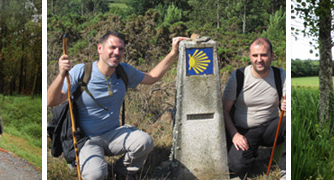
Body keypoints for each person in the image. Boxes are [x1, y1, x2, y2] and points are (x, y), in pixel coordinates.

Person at [47, 31, 188, 179]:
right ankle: (89, 165)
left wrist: (173, 52)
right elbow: (51, 101)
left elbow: (152, 78)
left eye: (120, 49)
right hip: (87, 139)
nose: (117, 52)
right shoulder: (82, 71)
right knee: (96, 175)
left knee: (144, 141)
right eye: (112, 47)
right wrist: (62, 74)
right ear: (99, 49)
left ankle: (122, 173)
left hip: (113, 134)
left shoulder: (124, 71)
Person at [222, 38, 286, 178]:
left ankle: (285, 169)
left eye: (263, 55)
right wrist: (235, 135)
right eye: (255, 55)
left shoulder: (280, 75)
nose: (259, 59)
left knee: (289, 121)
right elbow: (224, 110)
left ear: (272, 56)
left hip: (271, 127)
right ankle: (250, 153)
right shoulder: (238, 77)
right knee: (236, 168)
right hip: (244, 131)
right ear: (250, 56)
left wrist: (287, 105)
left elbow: (289, 98)